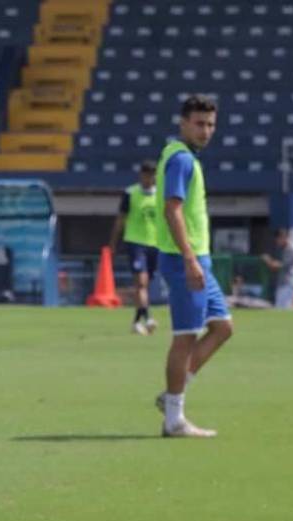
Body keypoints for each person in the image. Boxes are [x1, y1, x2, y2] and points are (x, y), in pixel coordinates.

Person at [153, 95, 232, 438]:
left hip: (198, 260)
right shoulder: (182, 159)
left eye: (211, 124)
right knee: (185, 337)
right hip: (184, 260)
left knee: (223, 327)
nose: (206, 131)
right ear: (183, 123)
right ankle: (174, 419)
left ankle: (173, 393)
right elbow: (172, 210)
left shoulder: (183, 156)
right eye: (199, 124)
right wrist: (189, 259)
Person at [108, 160, 159, 335]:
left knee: (144, 284)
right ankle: (148, 318)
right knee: (141, 283)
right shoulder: (130, 193)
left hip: (155, 244)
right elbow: (120, 219)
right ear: (141, 175)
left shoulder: (160, 195)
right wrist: (113, 243)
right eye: (146, 174)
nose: (149, 178)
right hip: (135, 242)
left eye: (152, 175)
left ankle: (136, 322)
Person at [260, 228, 293, 310]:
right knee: (279, 309)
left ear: (284, 237)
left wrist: (268, 260)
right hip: (282, 283)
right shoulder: (284, 249)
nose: (277, 242)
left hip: (289, 283)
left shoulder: (292, 249)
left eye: (278, 239)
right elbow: (275, 268)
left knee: (284, 309)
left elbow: (281, 266)